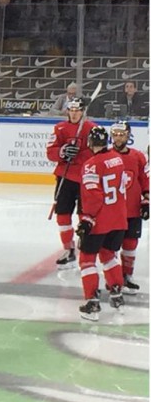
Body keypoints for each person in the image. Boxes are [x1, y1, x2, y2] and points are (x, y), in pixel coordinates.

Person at [76, 126, 128, 321]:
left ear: (90, 143)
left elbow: (93, 196)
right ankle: (116, 294)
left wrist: (87, 219)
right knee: (108, 255)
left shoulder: (91, 165)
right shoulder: (117, 159)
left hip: (100, 220)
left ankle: (92, 303)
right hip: (119, 219)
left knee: (87, 260)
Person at [46, 98, 96, 269]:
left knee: (85, 215)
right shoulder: (60, 128)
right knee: (62, 214)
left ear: (82, 111)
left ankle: (86, 248)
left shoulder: (92, 128)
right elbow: (50, 152)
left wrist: (79, 155)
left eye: (77, 110)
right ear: (67, 111)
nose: (74, 113)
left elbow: (97, 152)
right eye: (71, 110)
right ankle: (69, 249)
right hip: (65, 177)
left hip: (86, 178)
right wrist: (63, 152)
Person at [109, 121, 149, 294]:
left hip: (132, 209)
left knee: (130, 244)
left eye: (122, 134)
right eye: (115, 134)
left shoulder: (138, 156)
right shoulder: (106, 157)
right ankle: (114, 277)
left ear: (128, 135)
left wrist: (146, 200)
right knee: (111, 247)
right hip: (112, 211)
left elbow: (145, 179)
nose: (118, 137)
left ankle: (127, 276)